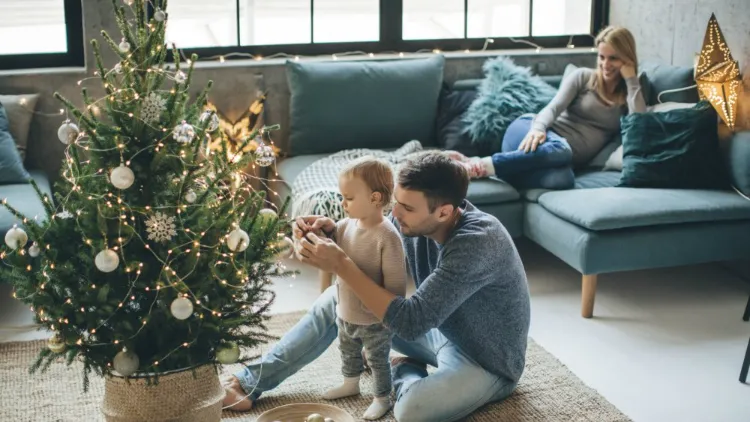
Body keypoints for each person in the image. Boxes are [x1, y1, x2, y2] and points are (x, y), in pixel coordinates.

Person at [223, 151, 531, 422]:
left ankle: (402, 368)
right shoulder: (414, 218)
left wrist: (341, 264)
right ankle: (250, 383)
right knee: (337, 298)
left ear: (445, 212)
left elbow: (411, 322)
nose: (395, 214)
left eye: (407, 209)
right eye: (396, 202)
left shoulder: (478, 242)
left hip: (486, 359)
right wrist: (332, 232)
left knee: (411, 412)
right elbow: (373, 236)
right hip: (440, 330)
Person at [450, 25, 647, 190]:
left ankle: (487, 165)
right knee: (562, 149)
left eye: (613, 58)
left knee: (563, 180)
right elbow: (553, 108)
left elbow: (639, 125)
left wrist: (631, 79)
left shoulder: (631, 94)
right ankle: (476, 167)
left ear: (627, 59)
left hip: (554, 159)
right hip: (529, 133)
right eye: (601, 57)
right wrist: (538, 128)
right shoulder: (583, 77)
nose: (605, 64)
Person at [296, 156, 407, 420]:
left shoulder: (387, 235)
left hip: (374, 320)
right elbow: (334, 245)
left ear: (375, 199)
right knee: (347, 350)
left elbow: (396, 290)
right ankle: (351, 382)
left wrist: (386, 318)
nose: (342, 204)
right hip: (345, 312)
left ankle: (382, 397)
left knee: (378, 360)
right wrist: (319, 232)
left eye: (348, 198)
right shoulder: (345, 226)